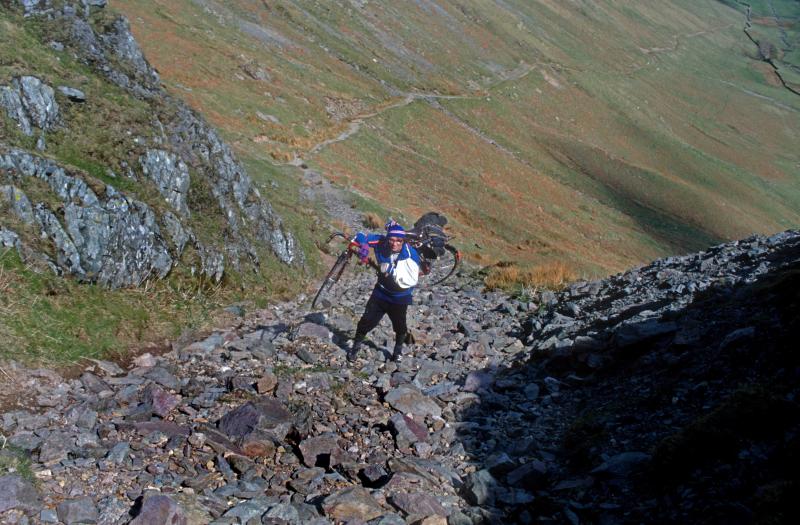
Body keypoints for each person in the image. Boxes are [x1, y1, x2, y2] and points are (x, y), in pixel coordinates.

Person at [347, 220, 420, 362]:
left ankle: (397, 351)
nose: (395, 244)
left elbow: (410, 280)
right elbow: (360, 235)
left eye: (399, 241)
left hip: (399, 298)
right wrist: (364, 245)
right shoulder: (381, 242)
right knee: (366, 322)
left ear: (404, 240)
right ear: (388, 238)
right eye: (392, 240)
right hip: (380, 292)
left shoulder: (411, 255)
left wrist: (392, 271)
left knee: (400, 326)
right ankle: (355, 348)